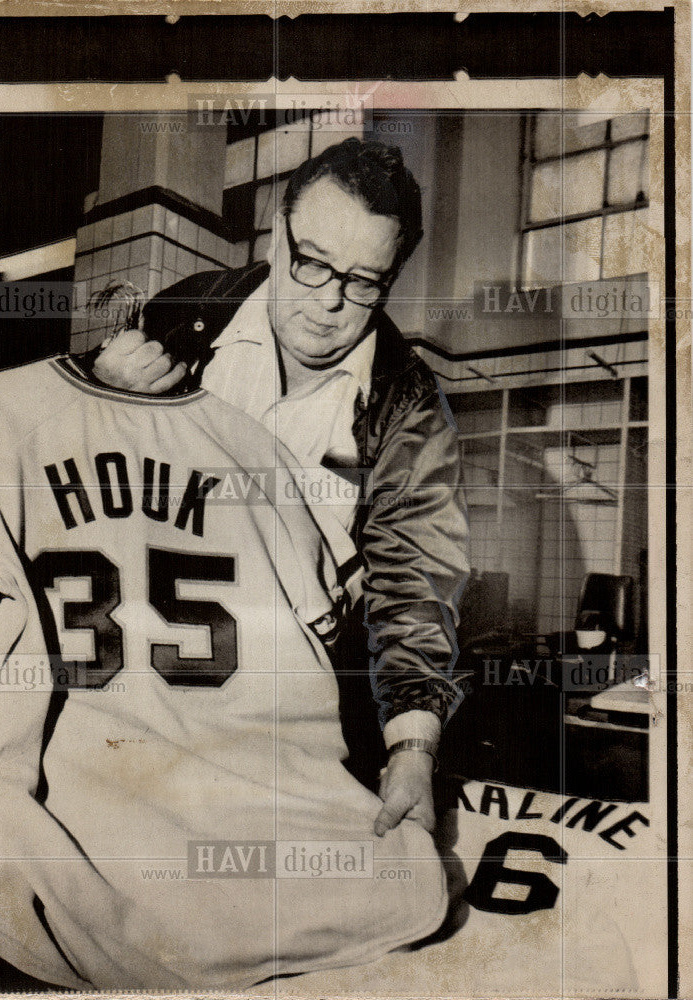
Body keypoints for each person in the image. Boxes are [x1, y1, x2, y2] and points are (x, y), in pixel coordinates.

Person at [0, 352, 449, 989]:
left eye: (362, 283)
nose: (333, 300)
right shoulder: (262, 453)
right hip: (264, 840)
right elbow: (346, 613)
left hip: (70, 832)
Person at [86, 137, 471, 835]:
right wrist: (101, 396)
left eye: (363, 282)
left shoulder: (408, 405)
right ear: (276, 232)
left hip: (297, 722)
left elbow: (414, 585)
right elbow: (81, 479)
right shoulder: (186, 317)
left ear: (393, 276)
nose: (328, 303)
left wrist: (413, 748)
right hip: (144, 695)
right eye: (311, 263)